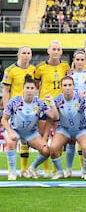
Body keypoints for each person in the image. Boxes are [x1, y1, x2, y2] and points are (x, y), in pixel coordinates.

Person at [1, 75, 58, 180]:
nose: (30, 90)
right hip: (15, 130)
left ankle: (32, 168)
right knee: (11, 142)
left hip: (31, 133)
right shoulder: (14, 101)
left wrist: (52, 102)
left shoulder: (40, 103)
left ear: (36, 90)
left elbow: (54, 116)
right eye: (27, 88)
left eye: (32, 88)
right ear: (23, 88)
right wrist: (10, 132)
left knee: (46, 150)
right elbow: (4, 120)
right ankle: (12, 173)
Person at [34, 40, 70, 177]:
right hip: (45, 106)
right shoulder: (40, 68)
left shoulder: (65, 66)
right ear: (48, 51)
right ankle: (45, 169)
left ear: (61, 52)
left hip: (60, 106)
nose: (56, 52)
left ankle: (56, 170)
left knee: (58, 139)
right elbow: (37, 84)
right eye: (53, 49)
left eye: (58, 49)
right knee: (43, 138)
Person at [49, 76, 86, 180]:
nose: (67, 87)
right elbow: (54, 117)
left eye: (70, 85)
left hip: (81, 128)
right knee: (53, 148)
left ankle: (85, 172)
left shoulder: (80, 98)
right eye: (65, 85)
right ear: (61, 87)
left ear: (73, 86)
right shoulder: (57, 100)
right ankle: (60, 172)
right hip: (64, 129)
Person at [2, 46, 36, 176]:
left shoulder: (33, 69)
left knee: (24, 140)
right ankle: (12, 171)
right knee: (12, 139)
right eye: (24, 53)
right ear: (18, 54)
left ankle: (23, 169)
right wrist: (7, 109)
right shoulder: (10, 70)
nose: (26, 55)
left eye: (28, 53)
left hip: (28, 110)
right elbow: (5, 91)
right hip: (14, 110)